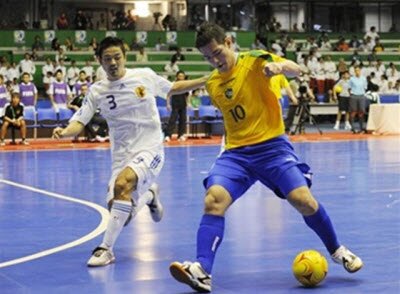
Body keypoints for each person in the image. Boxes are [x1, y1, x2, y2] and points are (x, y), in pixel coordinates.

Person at [169, 23, 363, 293]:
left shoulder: (255, 61)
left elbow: (297, 68)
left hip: (272, 148)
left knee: (303, 201)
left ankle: (337, 250)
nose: (214, 61)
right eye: (207, 58)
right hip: (236, 154)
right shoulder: (213, 83)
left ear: (228, 42)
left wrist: (280, 68)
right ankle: (202, 270)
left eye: (217, 53)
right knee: (214, 199)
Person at [52, 36, 208, 267]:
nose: (113, 62)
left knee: (123, 184)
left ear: (125, 57)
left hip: (150, 146)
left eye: (117, 57)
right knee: (120, 214)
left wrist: (207, 79)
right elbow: (80, 120)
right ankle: (149, 196)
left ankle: (105, 249)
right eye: (107, 59)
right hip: (121, 154)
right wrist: (65, 132)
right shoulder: (97, 91)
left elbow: (174, 87)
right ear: (99, 61)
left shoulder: (143, 75)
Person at [164, 71, 189, 142]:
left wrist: (188, 103)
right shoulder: (173, 84)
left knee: (183, 120)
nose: (181, 77)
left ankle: (180, 135)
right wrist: (168, 104)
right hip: (175, 105)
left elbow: (187, 95)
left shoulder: (186, 85)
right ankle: (168, 135)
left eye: (182, 76)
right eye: (180, 76)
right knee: (172, 120)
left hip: (183, 104)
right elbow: (168, 94)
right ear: (177, 76)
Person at [349, 66, 368, 134]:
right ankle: (353, 128)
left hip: (361, 96)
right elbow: (349, 88)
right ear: (354, 71)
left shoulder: (363, 78)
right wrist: (352, 95)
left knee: (361, 112)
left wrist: (361, 93)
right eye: (356, 70)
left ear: (360, 71)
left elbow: (365, 87)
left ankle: (361, 128)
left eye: (358, 70)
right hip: (354, 96)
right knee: (353, 112)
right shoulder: (351, 79)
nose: (357, 72)